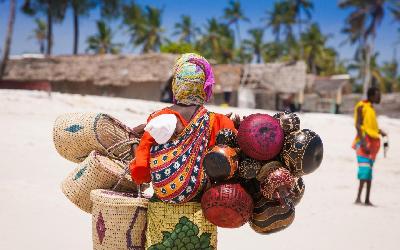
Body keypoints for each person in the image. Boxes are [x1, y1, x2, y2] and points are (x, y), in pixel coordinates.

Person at [129, 53, 237, 204]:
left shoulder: (158, 119)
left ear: (176, 85)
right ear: (203, 87)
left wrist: (134, 142)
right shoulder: (219, 121)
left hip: (162, 213)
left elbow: (141, 172)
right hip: (203, 210)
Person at [353, 87, 387, 206]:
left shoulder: (371, 108)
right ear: (372, 95)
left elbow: (369, 126)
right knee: (365, 170)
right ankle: (358, 198)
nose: (379, 98)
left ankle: (367, 199)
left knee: (369, 171)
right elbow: (358, 125)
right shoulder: (361, 106)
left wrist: (379, 131)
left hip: (372, 144)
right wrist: (363, 142)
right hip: (364, 142)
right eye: (378, 95)